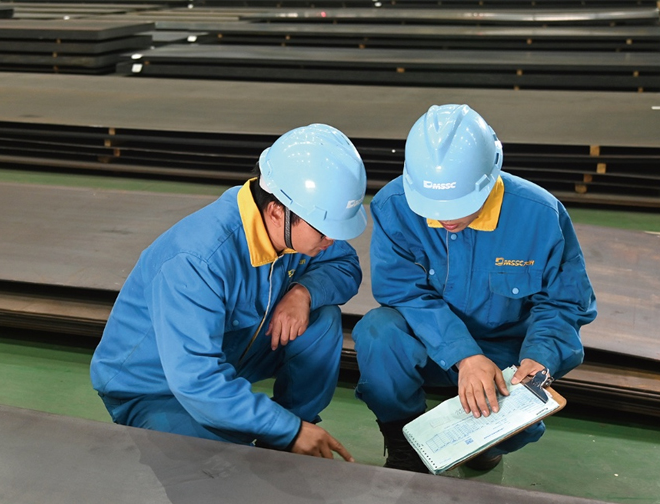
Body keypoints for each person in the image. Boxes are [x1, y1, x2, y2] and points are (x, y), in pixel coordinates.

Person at [90, 124, 368, 461]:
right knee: (225, 470)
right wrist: (287, 428)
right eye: (324, 231)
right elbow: (196, 378)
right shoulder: (197, 261)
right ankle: (289, 433)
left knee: (323, 318)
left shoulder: (293, 225)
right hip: (157, 388)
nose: (332, 241)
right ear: (277, 212)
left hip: (230, 357)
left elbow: (344, 264)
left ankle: (292, 432)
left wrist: (303, 292)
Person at [352, 104, 597, 473]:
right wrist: (464, 355)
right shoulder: (395, 206)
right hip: (431, 343)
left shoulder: (540, 215)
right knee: (378, 332)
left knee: (517, 426)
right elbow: (403, 292)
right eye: (434, 207)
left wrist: (539, 358)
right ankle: (404, 439)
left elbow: (564, 302)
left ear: (490, 176)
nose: (446, 218)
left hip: (504, 353)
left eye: (458, 205)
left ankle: (484, 446)